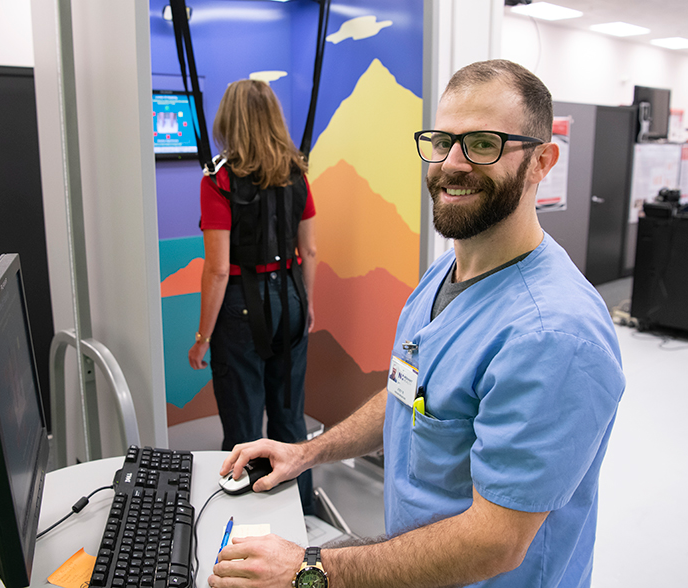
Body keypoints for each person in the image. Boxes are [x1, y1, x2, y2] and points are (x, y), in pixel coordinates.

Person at [208, 60, 625, 588]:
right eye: (442, 141)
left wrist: (309, 569)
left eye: (482, 144)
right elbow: (411, 394)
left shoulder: (553, 337)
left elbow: (493, 542)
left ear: (542, 162)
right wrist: (306, 452)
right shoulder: (445, 274)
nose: (452, 164)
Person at [188, 79, 317, 512]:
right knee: (289, 418)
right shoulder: (297, 173)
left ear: (229, 119)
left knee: (243, 424)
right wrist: (307, 305)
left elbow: (219, 268)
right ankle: (300, 515)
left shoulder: (219, 180)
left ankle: (247, 520)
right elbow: (310, 250)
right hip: (292, 300)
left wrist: (203, 337)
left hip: (242, 309)